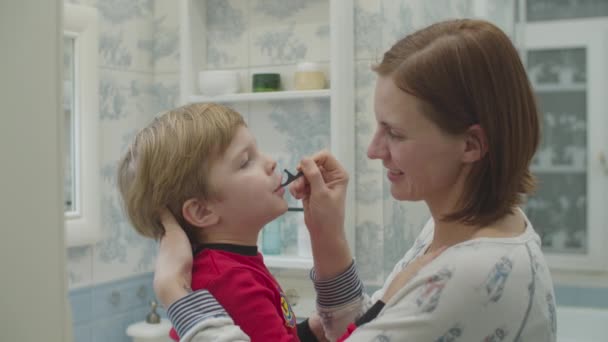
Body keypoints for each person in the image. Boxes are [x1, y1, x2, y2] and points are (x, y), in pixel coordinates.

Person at [153, 18, 557, 341]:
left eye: (395, 133)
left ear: (470, 145)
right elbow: (372, 325)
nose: (373, 150)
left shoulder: (475, 272)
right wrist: (326, 235)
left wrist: (177, 296)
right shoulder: (450, 226)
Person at [117, 103, 319, 341]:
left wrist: (316, 330)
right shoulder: (228, 281)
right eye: (245, 161)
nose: (270, 162)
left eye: (257, 151)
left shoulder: (237, 264)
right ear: (202, 211)